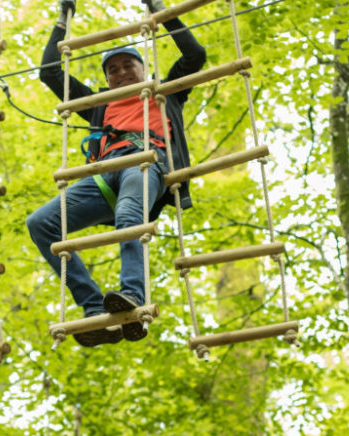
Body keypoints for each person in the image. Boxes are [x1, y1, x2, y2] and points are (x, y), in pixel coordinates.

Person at [27, 0, 206, 347]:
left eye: (128, 65)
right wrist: (63, 20)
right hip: (103, 174)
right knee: (41, 224)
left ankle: (132, 295)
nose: (121, 72)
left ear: (143, 68)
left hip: (146, 163)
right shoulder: (99, 104)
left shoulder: (165, 91)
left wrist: (159, 10)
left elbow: (195, 55)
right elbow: (50, 73)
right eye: (113, 70)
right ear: (107, 79)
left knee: (129, 212)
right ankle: (95, 308)